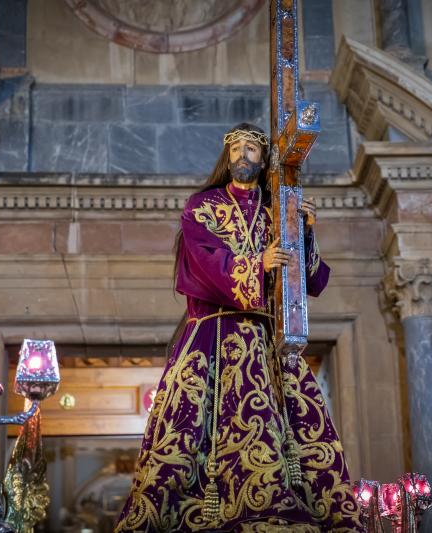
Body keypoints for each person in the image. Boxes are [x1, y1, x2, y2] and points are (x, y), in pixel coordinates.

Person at [114, 123, 363, 532]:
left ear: (264, 160)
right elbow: (203, 264)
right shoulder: (203, 205)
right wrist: (256, 265)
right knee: (188, 430)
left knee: (288, 427)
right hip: (212, 339)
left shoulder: (277, 210)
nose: (243, 155)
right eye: (237, 148)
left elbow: (312, 283)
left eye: (252, 149)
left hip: (269, 343)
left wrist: (305, 231)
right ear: (226, 156)